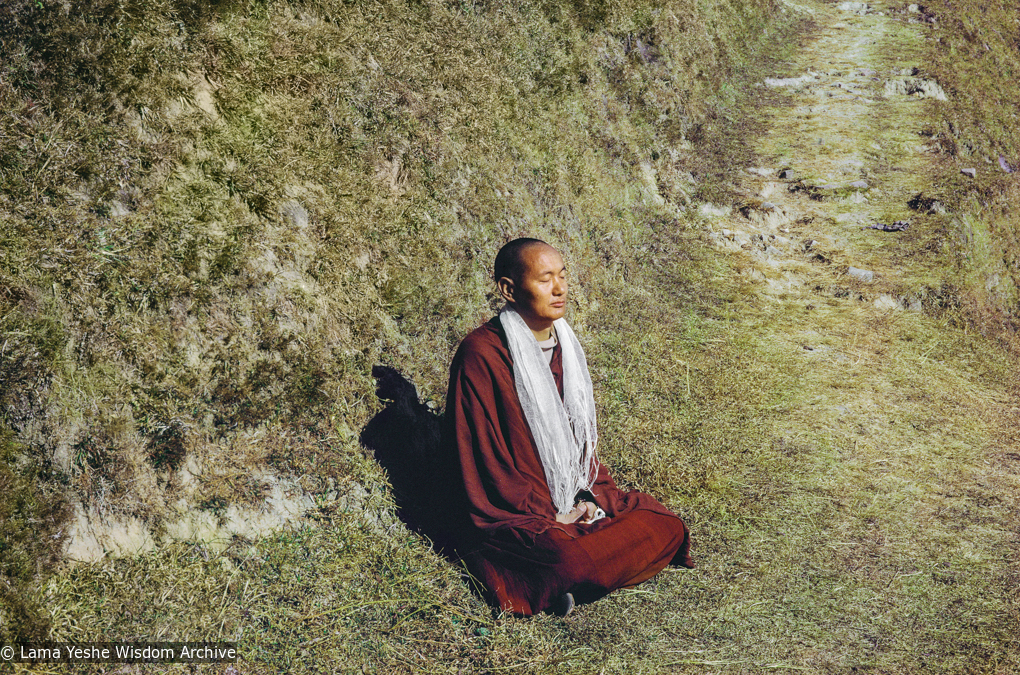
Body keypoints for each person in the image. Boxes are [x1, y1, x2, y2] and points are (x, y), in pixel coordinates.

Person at [439, 237, 693, 617]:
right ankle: (569, 574)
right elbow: (484, 461)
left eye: (562, 276)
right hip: (519, 512)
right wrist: (547, 514)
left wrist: (588, 499)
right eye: (545, 280)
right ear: (509, 289)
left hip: (571, 498)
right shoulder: (482, 354)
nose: (559, 289)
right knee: (563, 557)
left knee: (665, 524)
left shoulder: (566, 345)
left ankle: (572, 577)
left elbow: (577, 448)